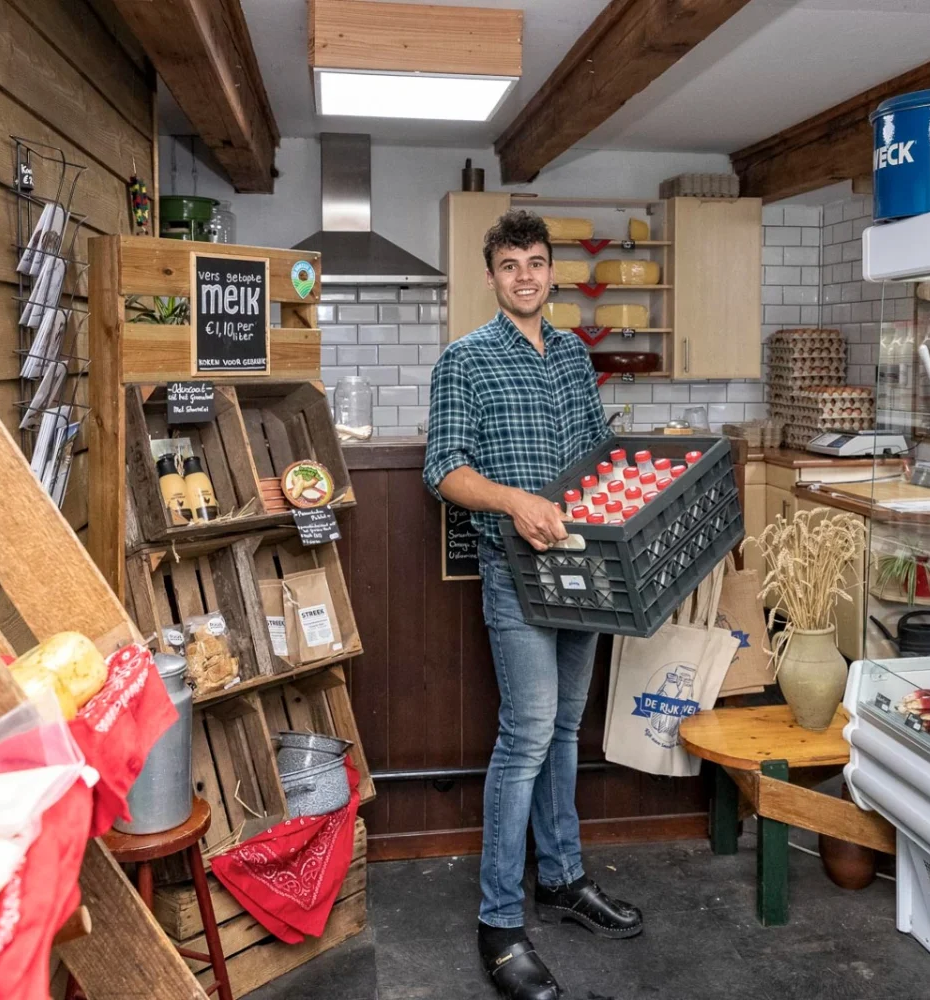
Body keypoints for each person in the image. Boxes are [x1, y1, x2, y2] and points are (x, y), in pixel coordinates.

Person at [423, 210, 642, 1000]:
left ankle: (563, 878)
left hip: (583, 574)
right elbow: (442, 468)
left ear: (553, 273)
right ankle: (499, 922)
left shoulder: (575, 357)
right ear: (492, 275)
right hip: (513, 575)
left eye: (537, 262)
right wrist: (515, 501)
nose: (525, 275)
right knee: (524, 735)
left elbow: (595, 455)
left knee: (560, 730)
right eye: (510, 263)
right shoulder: (466, 359)